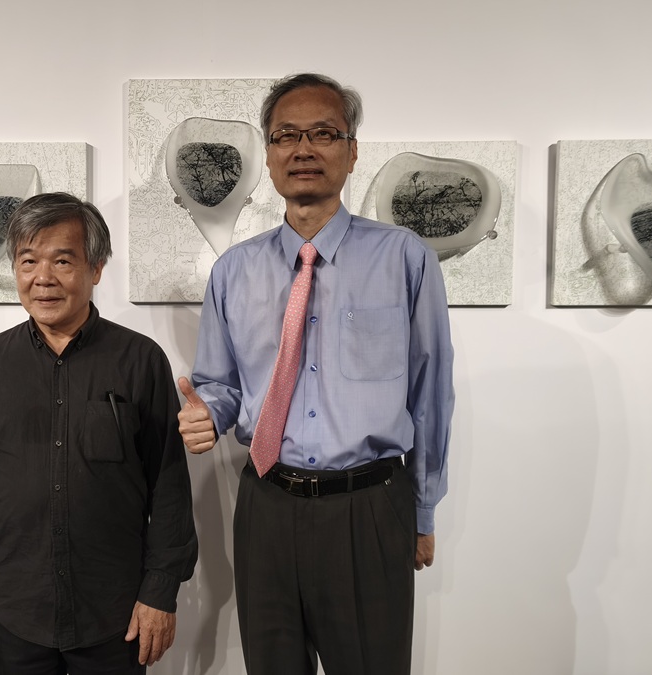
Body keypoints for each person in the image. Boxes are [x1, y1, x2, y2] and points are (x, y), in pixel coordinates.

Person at [177, 73, 455, 674]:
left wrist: (423, 509)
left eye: (323, 133)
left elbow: (430, 393)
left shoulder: (405, 257)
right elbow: (221, 385)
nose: (303, 149)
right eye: (287, 135)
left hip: (368, 507)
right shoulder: (233, 271)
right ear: (269, 154)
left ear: (352, 152)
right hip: (266, 505)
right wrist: (209, 416)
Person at [0, 192, 197, 674]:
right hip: (15, 611)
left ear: (96, 268)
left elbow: (169, 488)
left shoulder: (140, 361)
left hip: (116, 613)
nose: (43, 278)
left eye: (63, 260)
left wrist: (161, 590)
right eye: (28, 260)